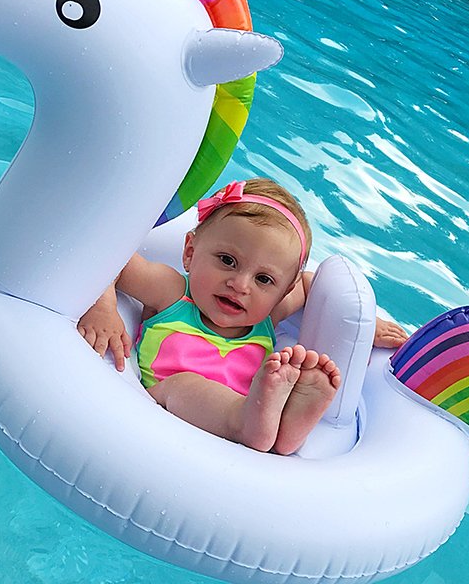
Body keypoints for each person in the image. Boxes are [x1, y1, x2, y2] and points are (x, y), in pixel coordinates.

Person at [77, 178, 408, 454]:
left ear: (283, 290)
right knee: (182, 386)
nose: (240, 285)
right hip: (173, 394)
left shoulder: (269, 314)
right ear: (190, 252)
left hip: (254, 405)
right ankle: (249, 422)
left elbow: (312, 285)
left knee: (273, 387)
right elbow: (114, 253)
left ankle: (287, 428)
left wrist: (363, 326)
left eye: (264, 279)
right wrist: (104, 306)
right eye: (227, 260)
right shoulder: (173, 292)